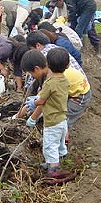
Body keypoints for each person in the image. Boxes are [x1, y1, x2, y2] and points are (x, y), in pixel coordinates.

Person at [24, 48, 75, 184]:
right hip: (62, 119)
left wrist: (34, 102)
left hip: (52, 121)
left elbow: (41, 100)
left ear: (48, 64)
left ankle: (54, 170)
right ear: (67, 65)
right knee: (59, 144)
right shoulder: (64, 80)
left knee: (50, 145)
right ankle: (61, 160)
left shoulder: (49, 83)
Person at [19, 49, 92, 132]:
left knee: (63, 120)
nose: (32, 76)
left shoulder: (52, 79)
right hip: (68, 89)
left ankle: (63, 140)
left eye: (31, 74)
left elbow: (43, 101)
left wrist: (32, 118)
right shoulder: (50, 68)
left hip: (80, 95)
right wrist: (17, 116)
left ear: (36, 69)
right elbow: (41, 96)